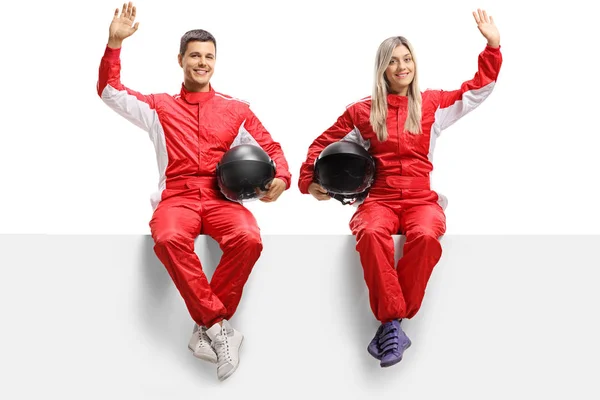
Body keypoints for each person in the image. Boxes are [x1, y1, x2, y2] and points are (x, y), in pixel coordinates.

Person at [97, 2, 291, 381]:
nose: (202, 62)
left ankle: (206, 327)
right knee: (167, 238)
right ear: (180, 59)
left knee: (249, 239)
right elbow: (109, 90)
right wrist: (114, 44)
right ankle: (219, 329)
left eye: (209, 57)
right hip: (178, 198)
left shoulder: (236, 110)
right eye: (195, 56)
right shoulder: (158, 107)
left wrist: (281, 177)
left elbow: (272, 148)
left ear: (215, 62)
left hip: (222, 199)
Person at [298, 9, 502, 368]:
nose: (402, 67)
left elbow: (477, 91)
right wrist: (310, 181)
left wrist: (493, 46)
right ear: (382, 69)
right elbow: (321, 146)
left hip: (421, 199)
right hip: (378, 199)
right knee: (371, 234)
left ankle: (391, 323)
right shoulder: (361, 112)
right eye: (393, 61)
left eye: (407, 59)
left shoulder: (433, 104)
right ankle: (393, 323)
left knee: (424, 237)